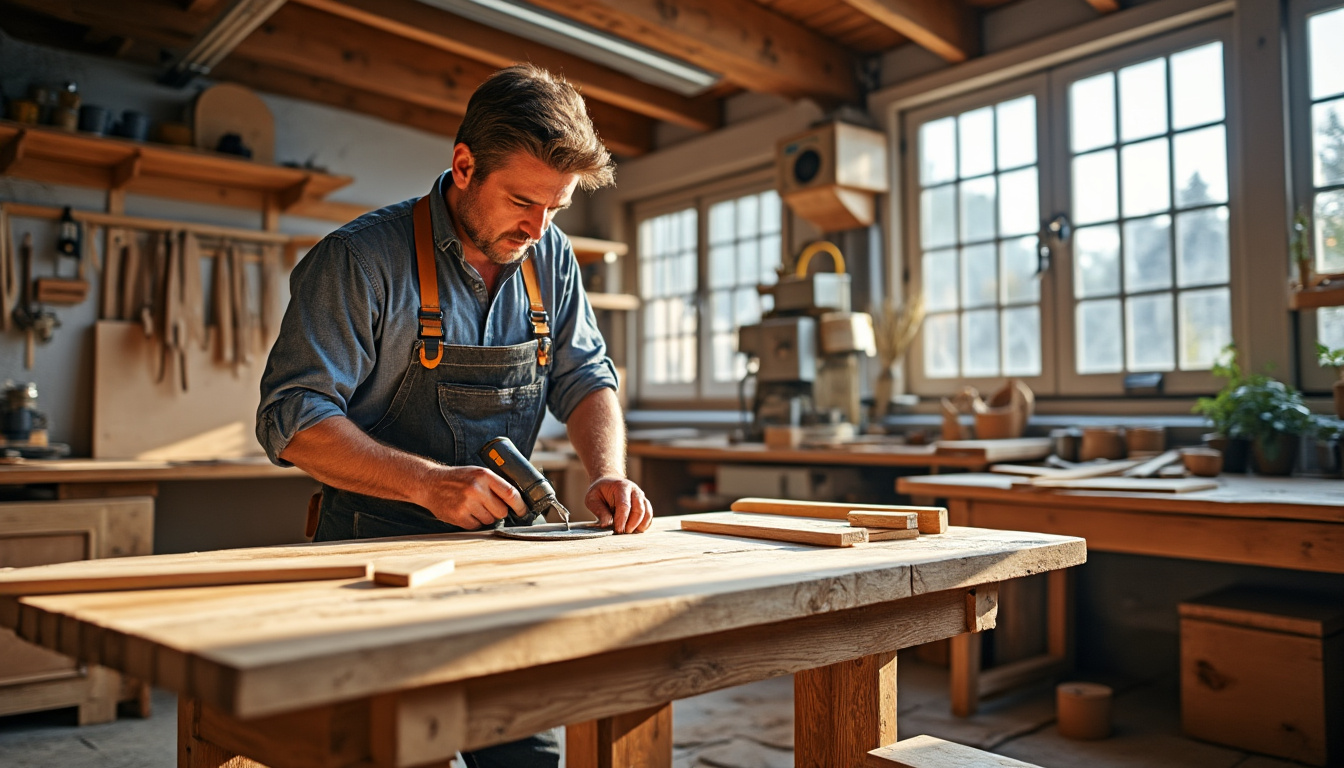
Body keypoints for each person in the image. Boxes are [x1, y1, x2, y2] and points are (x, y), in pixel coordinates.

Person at [255, 64, 653, 767]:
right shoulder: (359, 260)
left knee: (526, 755)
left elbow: (586, 375)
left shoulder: (548, 255)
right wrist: (427, 484)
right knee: (397, 752)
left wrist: (609, 471)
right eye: (524, 201)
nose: (538, 227)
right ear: (463, 165)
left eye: (555, 209)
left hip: (503, 563)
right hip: (374, 562)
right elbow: (293, 416)